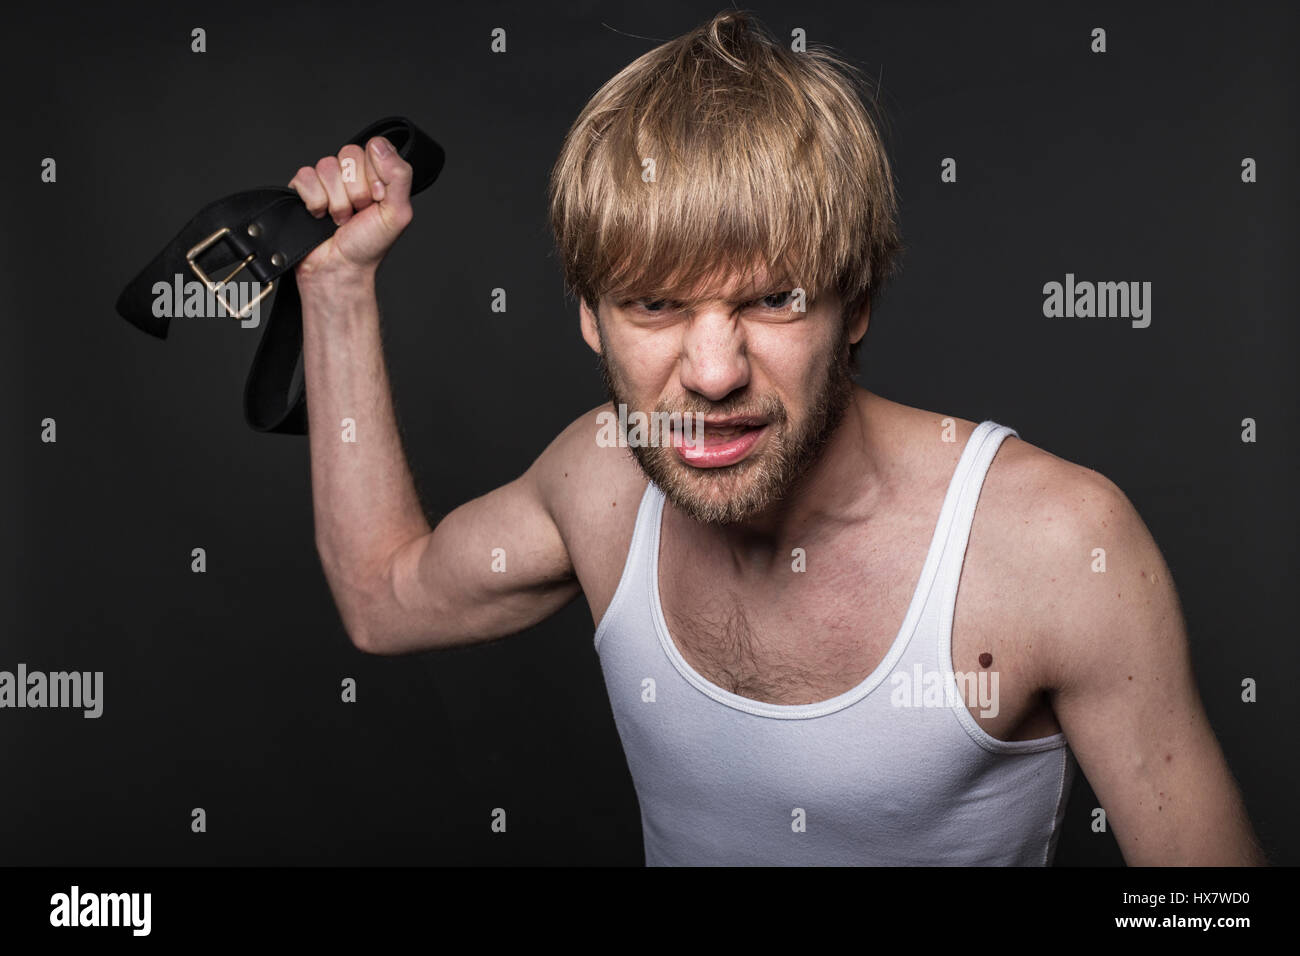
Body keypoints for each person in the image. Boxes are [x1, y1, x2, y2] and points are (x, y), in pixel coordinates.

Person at [286, 10, 1265, 865]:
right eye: (655, 303)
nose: (713, 372)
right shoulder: (599, 480)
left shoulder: (1053, 547)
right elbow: (383, 599)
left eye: (773, 298)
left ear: (858, 303)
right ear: (590, 317)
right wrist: (334, 288)